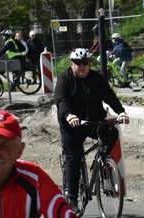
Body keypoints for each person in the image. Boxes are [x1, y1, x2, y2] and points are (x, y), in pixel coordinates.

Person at [54, 48, 128, 209]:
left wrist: (121, 112)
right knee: (73, 159)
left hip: (94, 122)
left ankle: (101, 162)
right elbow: (61, 101)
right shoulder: (64, 79)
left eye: (85, 63)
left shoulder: (97, 78)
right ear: (72, 64)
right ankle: (72, 200)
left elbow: (110, 96)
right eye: (78, 63)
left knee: (112, 132)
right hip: (72, 125)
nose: (82, 66)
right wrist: (69, 116)